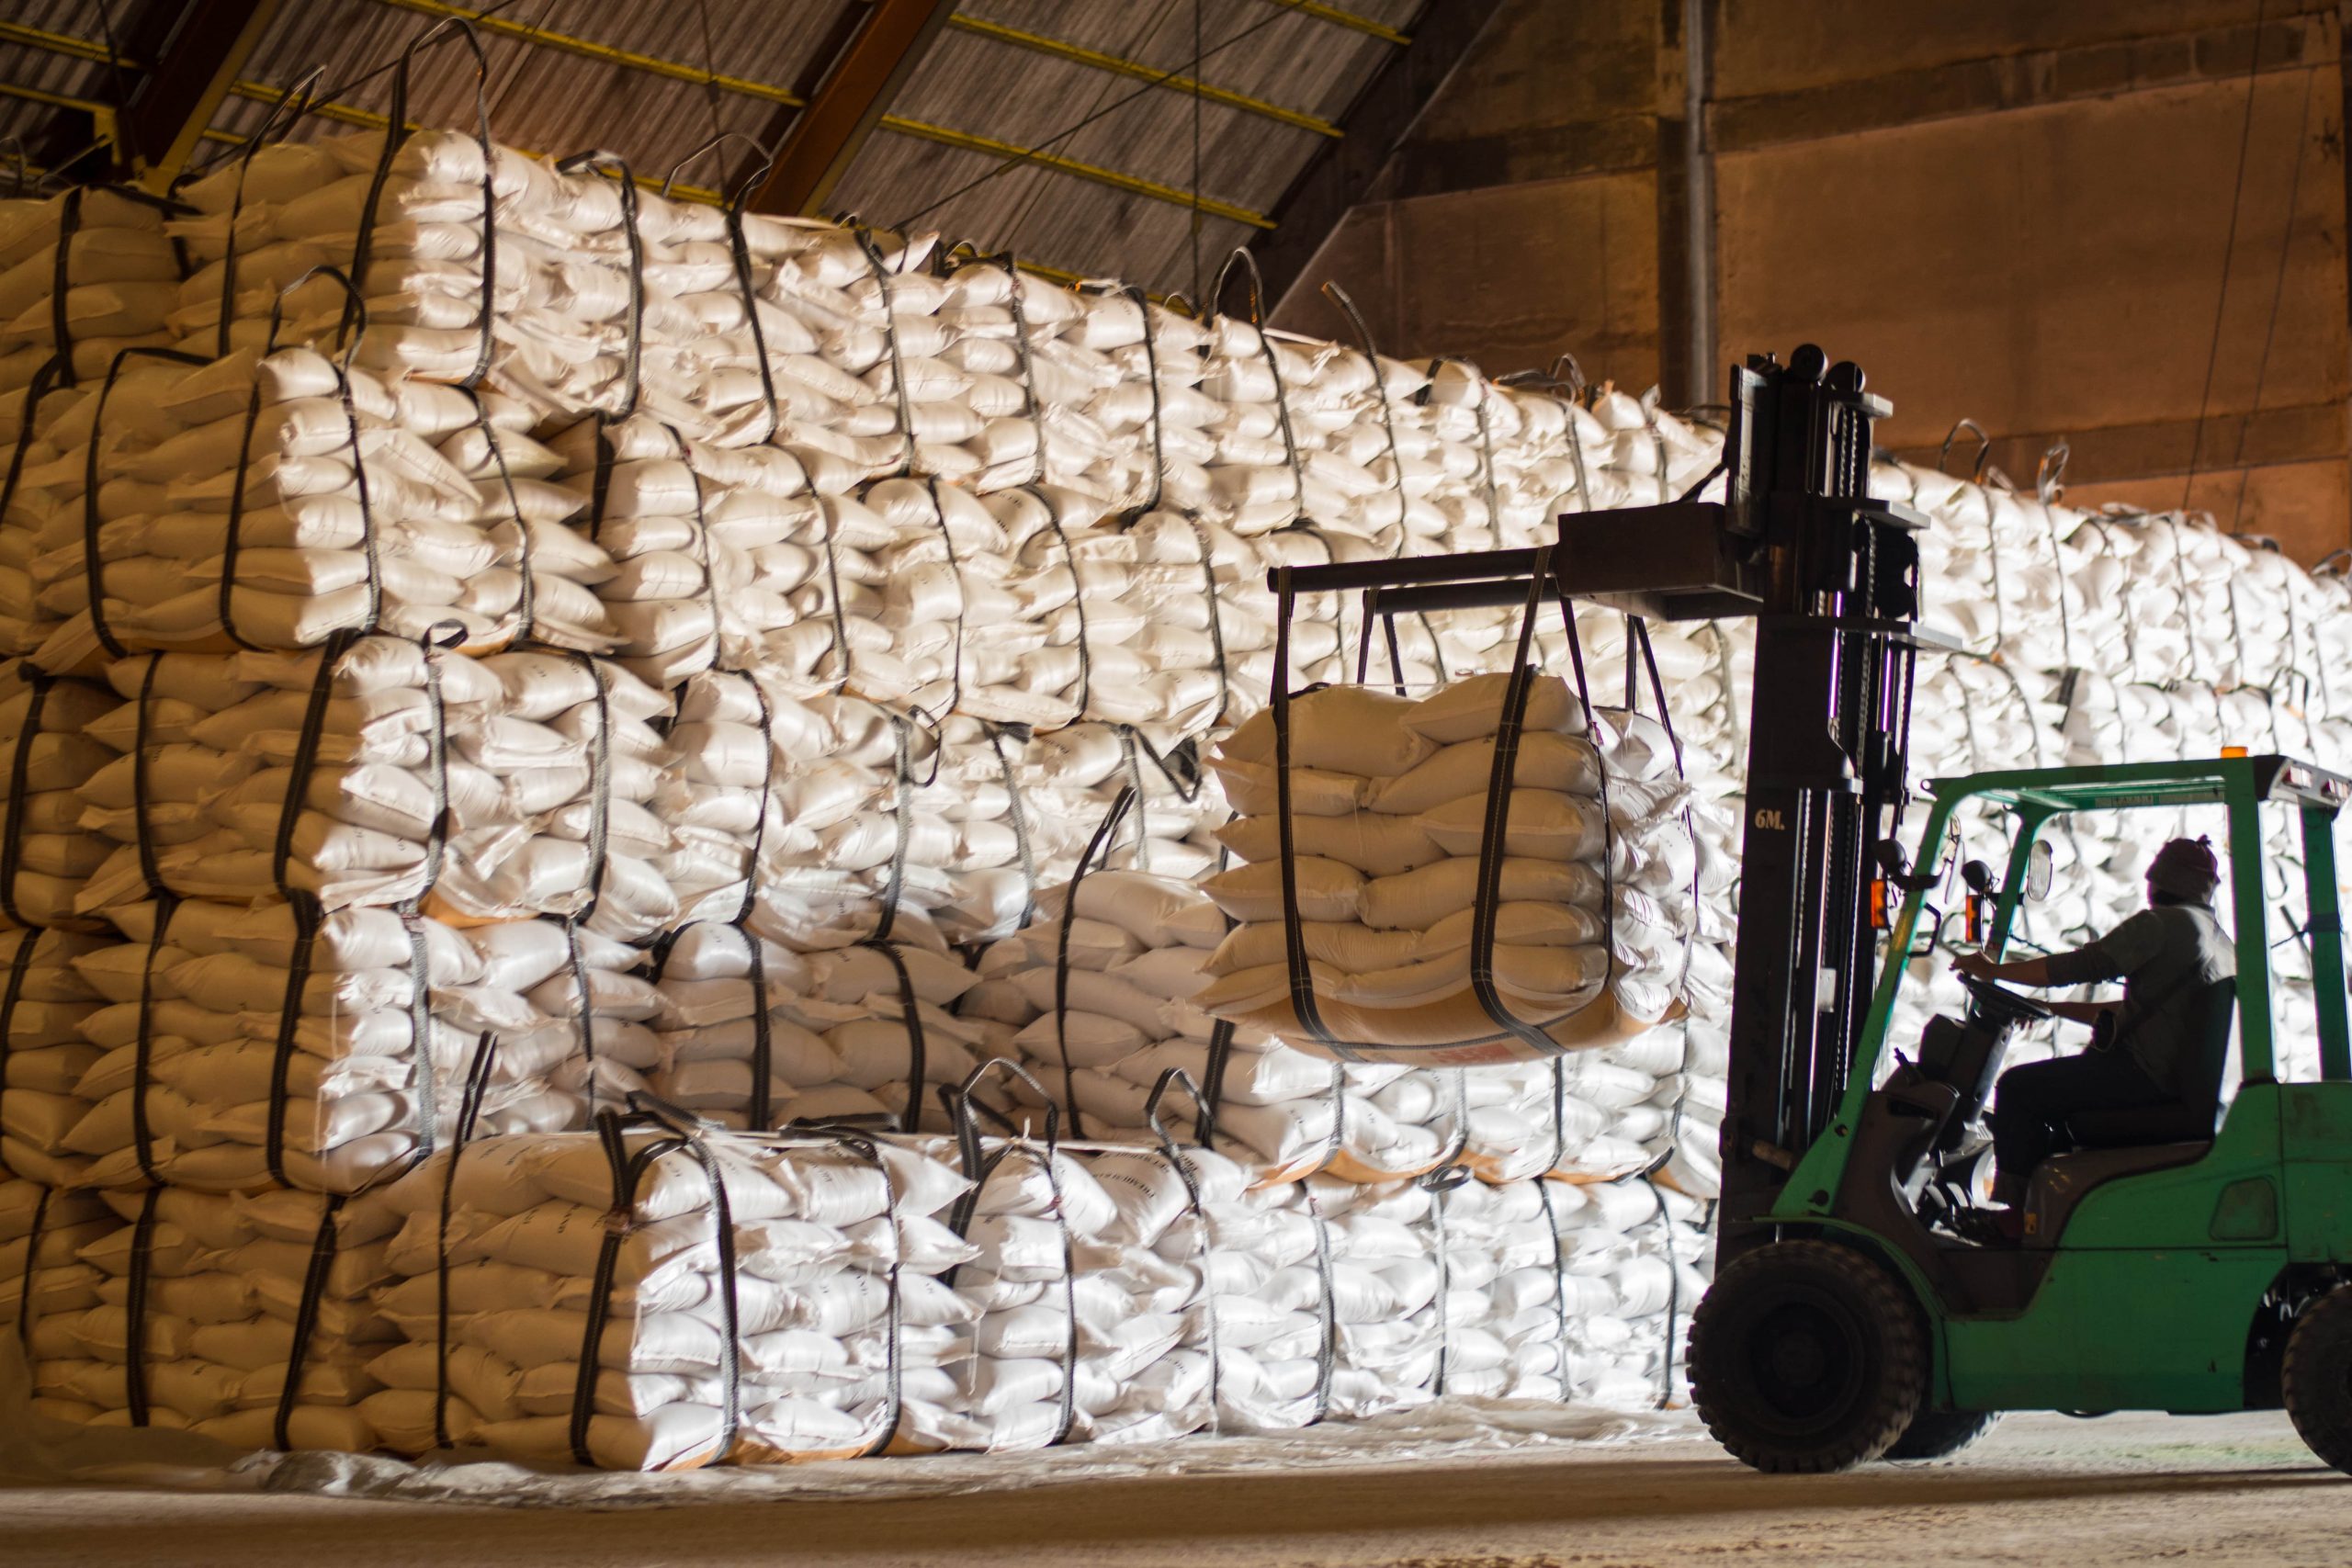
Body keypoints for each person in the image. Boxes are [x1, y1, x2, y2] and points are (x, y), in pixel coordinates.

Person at [1951, 836, 2235, 1230]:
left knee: (2018, 1089)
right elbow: (2132, 1011)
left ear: (2158, 880)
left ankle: (2015, 1220)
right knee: (2050, 1110)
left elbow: (2081, 967)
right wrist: (2052, 1010)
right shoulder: (2218, 939)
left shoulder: (2162, 924)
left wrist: (1993, 971)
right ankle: (2044, 1212)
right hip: (2172, 1081)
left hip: (2143, 1075)